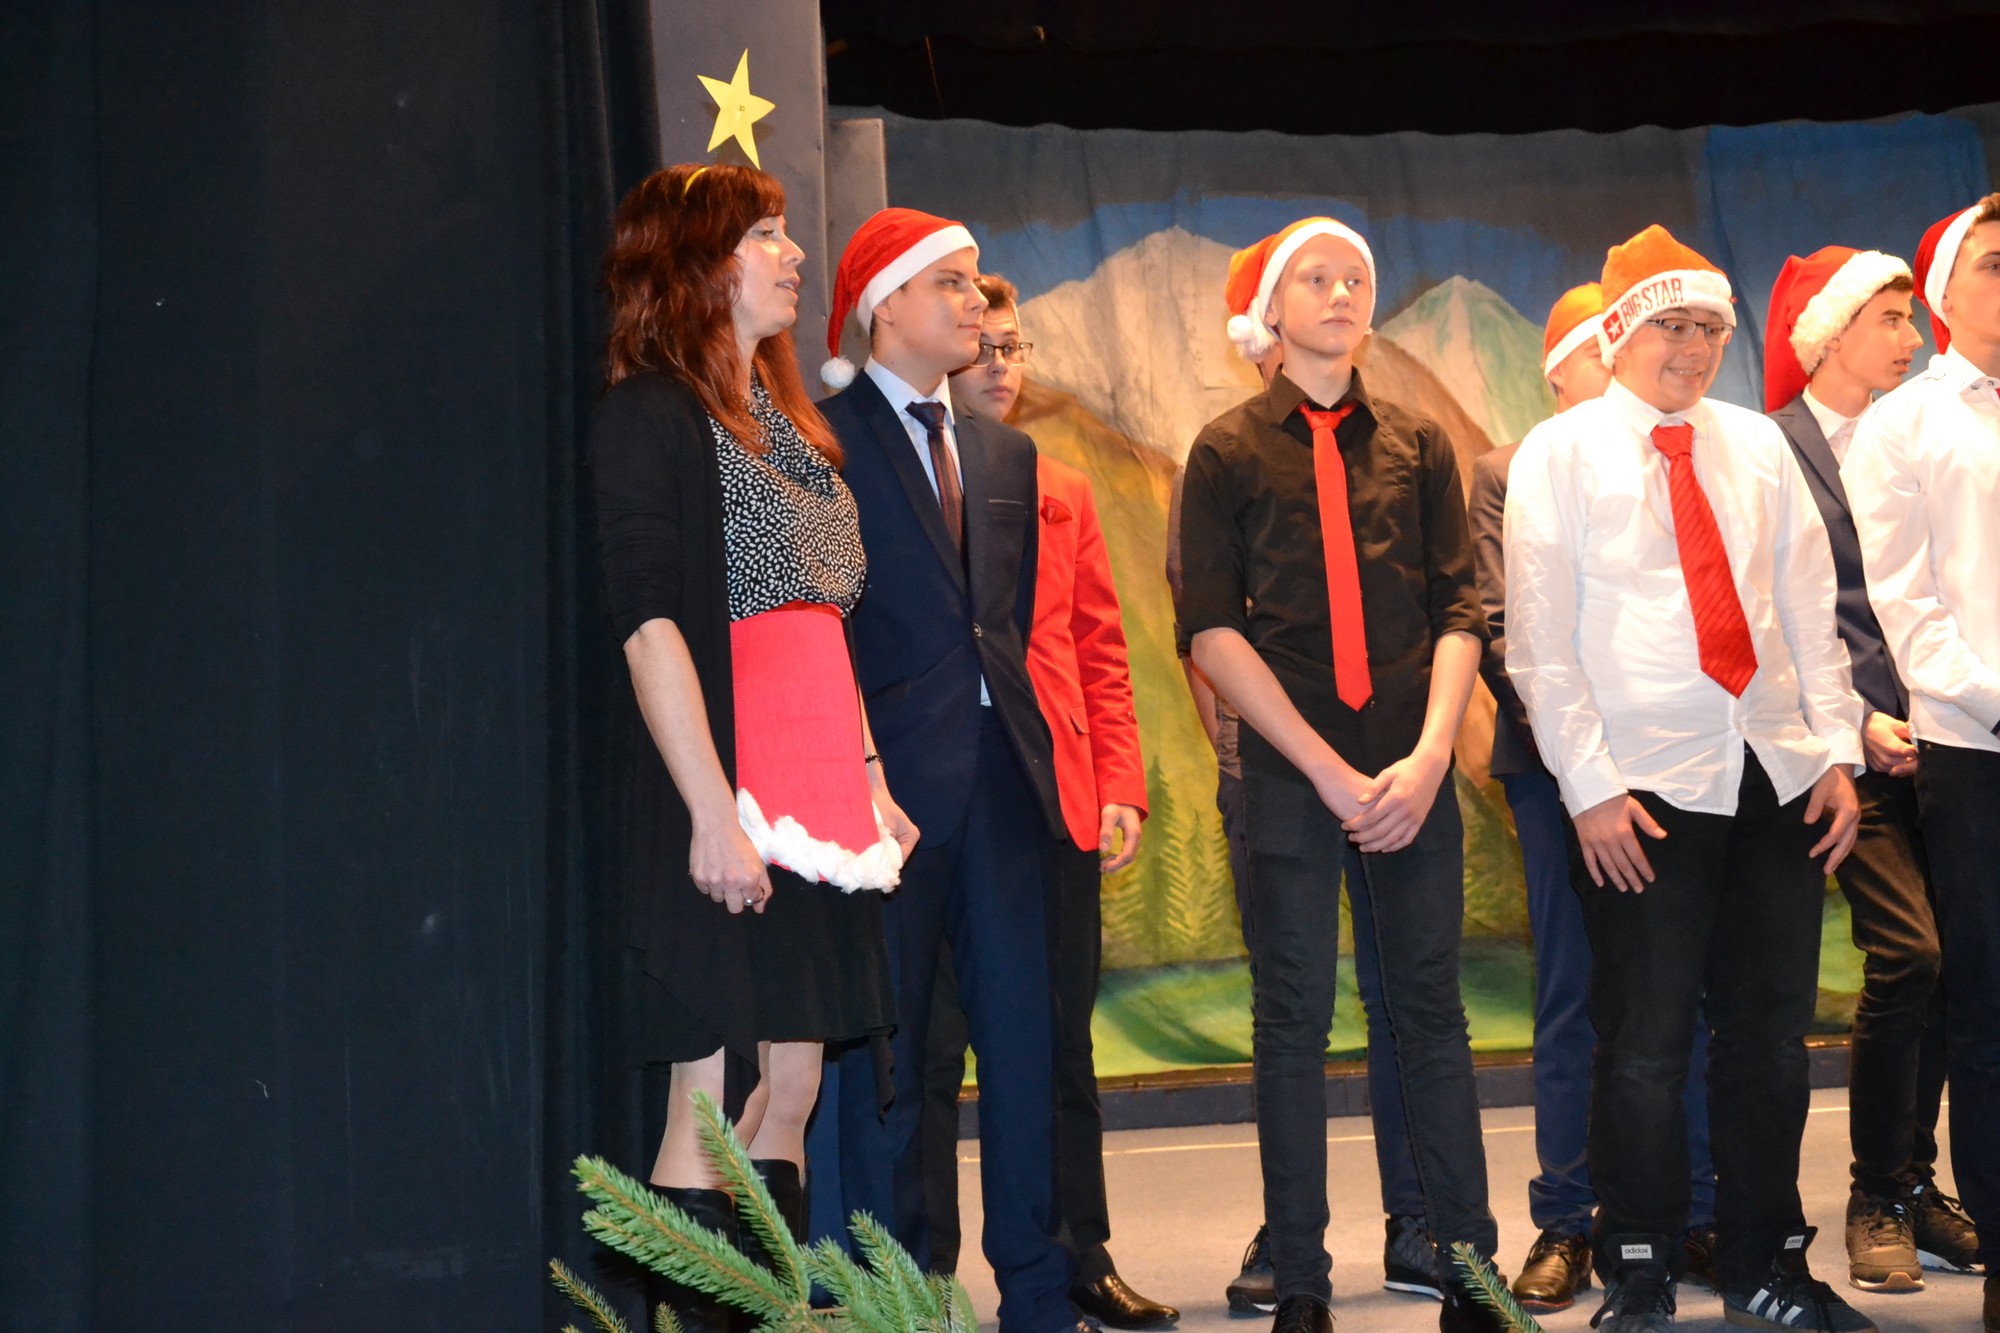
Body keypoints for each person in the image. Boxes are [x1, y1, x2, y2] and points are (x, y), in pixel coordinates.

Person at [1505, 224, 1870, 1333]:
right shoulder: (1558, 455)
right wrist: (1588, 789)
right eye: (1671, 323)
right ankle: (1638, 1266)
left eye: (1710, 326)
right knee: (1643, 1046)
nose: (1694, 346)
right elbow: (1540, 645)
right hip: (1640, 793)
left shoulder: (1755, 445)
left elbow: (1808, 608)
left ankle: (1764, 1261)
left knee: (1769, 1043)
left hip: (1773, 774)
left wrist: (1836, 749)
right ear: (1619, 333)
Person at [586, 163, 918, 1332]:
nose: (792, 253)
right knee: (713, 1094)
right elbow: (647, 624)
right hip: (733, 788)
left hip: (819, 797)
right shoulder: (650, 414)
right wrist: (710, 810)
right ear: (695, 263)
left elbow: (823, 619)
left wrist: (869, 778)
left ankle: (765, 1315)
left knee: (792, 1083)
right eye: (765, 235)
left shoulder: (782, 423)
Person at [1176, 217, 1500, 1333]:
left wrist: (1427, 758)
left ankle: (1471, 1271)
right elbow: (1211, 630)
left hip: (1410, 768)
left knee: (1429, 1012)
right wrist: (1319, 768)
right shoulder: (1225, 451)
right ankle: (1303, 1284)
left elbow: (1458, 609)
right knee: (1291, 1019)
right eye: (1314, 277)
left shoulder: (1418, 444)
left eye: (1355, 276)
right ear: (1270, 310)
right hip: (1289, 775)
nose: (1339, 292)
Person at [817, 209, 1088, 1333]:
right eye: (952, 285)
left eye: (977, 285)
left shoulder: (1003, 452)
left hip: (1005, 785)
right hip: (881, 792)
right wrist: (859, 767)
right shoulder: (822, 441)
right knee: (890, 1060)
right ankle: (895, 1293)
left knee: (1025, 1049)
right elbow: (823, 629)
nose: (976, 304)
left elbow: (1003, 625)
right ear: (886, 305)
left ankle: (1038, 1295)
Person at [923, 274, 1176, 1329]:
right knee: (930, 1044)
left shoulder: (1058, 484)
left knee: (1061, 1042)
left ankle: (1080, 1255)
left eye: (1014, 347)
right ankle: (920, 1271)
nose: (999, 364)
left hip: (1055, 799)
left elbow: (1100, 648)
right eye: (982, 344)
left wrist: (1119, 783)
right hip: (942, 797)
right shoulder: (903, 480)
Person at [1471, 285, 1720, 1311]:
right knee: (1575, 994)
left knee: (1681, 992)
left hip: (1682, 771)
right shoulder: (1511, 469)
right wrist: (1588, 766)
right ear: (1559, 368)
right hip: (1559, 777)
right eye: (1592, 347)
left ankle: (1690, 1207)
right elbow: (1503, 628)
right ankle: (1568, 1217)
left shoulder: (1699, 453)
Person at [1763, 244, 1981, 1292]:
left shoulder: (1935, 427)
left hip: (1945, 740)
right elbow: (1775, 608)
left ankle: (1917, 1181)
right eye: (1886, 318)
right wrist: (1853, 716)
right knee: (1909, 954)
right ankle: (1874, 1195)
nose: (1909, 336)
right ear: (1828, 334)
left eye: (1910, 317)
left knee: (1957, 968)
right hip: (1840, 755)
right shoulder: (1772, 447)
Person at [1845, 194, 2000, 1333]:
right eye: (1995, 262)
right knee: (1988, 1013)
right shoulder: (1903, 424)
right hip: (1975, 747)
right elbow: (1908, 611)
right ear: (1944, 289)